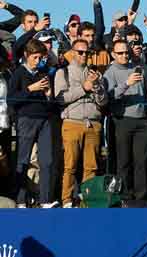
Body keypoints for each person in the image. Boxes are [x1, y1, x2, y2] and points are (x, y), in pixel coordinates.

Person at [54, 38, 108, 208]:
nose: (84, 55)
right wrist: (83, 88)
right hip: (72, 123)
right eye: (80, 52)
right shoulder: (63, 73)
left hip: (93, 124)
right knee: (70, 165)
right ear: (72, 52)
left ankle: (88, 201)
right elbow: (61, 98)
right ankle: (67, 200)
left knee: (91, 167)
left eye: (87, 52)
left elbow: (104, 102)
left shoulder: (96, 74)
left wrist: (97, 86)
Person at [9, 39, 58, 208]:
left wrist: (49, 95)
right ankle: (21, 199)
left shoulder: (43, 72)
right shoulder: (19, 73)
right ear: (26, 55)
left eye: (40, 58)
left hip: (44, 119)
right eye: (35, 57)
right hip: (26, 119)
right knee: (23, 160)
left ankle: (44, 200)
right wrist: (31, 88)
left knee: (47, 160)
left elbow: (50, 103)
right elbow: (11, 100)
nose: (38, 61)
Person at [104, 39, 147, 201]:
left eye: (126, 52)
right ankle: (124, 196)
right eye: (120, 53)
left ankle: (141, 197)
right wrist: (126, 83)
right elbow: (108, 97)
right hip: (122, 120)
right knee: (124, 161)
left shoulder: (138, 69)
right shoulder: (110, 72)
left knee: (141, 161)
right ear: (113, 54)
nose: (124, 55)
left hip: (142, 122)